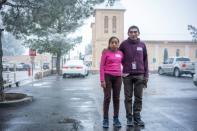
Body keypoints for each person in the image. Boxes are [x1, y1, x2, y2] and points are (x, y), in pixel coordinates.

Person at [119, 25, 149, 126]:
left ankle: (137, 117)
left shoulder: (142, 45)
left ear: (138, 33)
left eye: (135, 32)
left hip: (140, 75)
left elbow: (145, 61)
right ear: (128, 33)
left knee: (139, 98)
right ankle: (129, 118)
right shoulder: (123, 44)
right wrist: (126, 66)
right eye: (131, 32)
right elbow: (119, 57)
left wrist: (146, 76)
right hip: (127, 75)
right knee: (128, 98)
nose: (133, 33)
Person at [100, 36, 123, 128]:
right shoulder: (106, 53)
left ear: (118, 44)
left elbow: (124, 63)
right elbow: (101, 66)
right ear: (109, 44)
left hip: (118, 77)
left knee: (116, 99)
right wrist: (102, 80)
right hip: (107, 76)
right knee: (107, 98)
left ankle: (116, 118)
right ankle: (105, 119)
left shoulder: (121, 53)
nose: (114, 44)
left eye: (116, 42)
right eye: (112, 42)